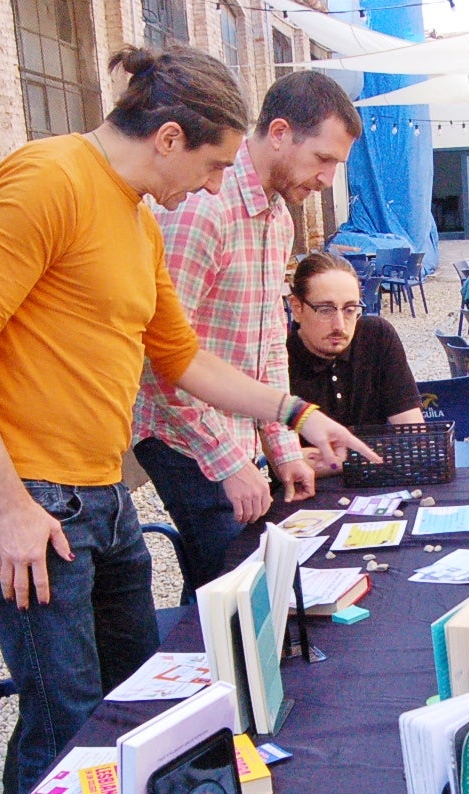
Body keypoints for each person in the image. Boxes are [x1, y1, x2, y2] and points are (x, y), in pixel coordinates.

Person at [0, 46, 378, 794]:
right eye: (213, 164)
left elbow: (184, 360)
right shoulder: (47, 179)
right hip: (30, 496)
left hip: (99, 494)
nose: (216, 184)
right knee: (64, 722)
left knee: (135, 701)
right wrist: (9, 504)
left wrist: (297, 413)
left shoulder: (135, 220)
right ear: (168, 138)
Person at [132, 70, 362, 589]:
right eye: (323, 159)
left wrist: (281, 450)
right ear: (279, 132)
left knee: (255, 585)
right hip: (183, 436)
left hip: (236, 431)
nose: (328, 179)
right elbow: (158, 357)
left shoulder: (279, 217)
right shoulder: (200, 208)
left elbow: (265, 351)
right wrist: (228, 463)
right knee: (240, 592)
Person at [285, 252, 423, 478]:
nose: (340, 325)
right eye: (326, 310)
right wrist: (374, 452)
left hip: (376, 486)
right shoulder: (278, 358)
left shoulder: (377, 337)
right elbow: (285, 464)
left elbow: (414, 438)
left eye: (350, 310)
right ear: (297, 308)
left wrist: (336, 458)